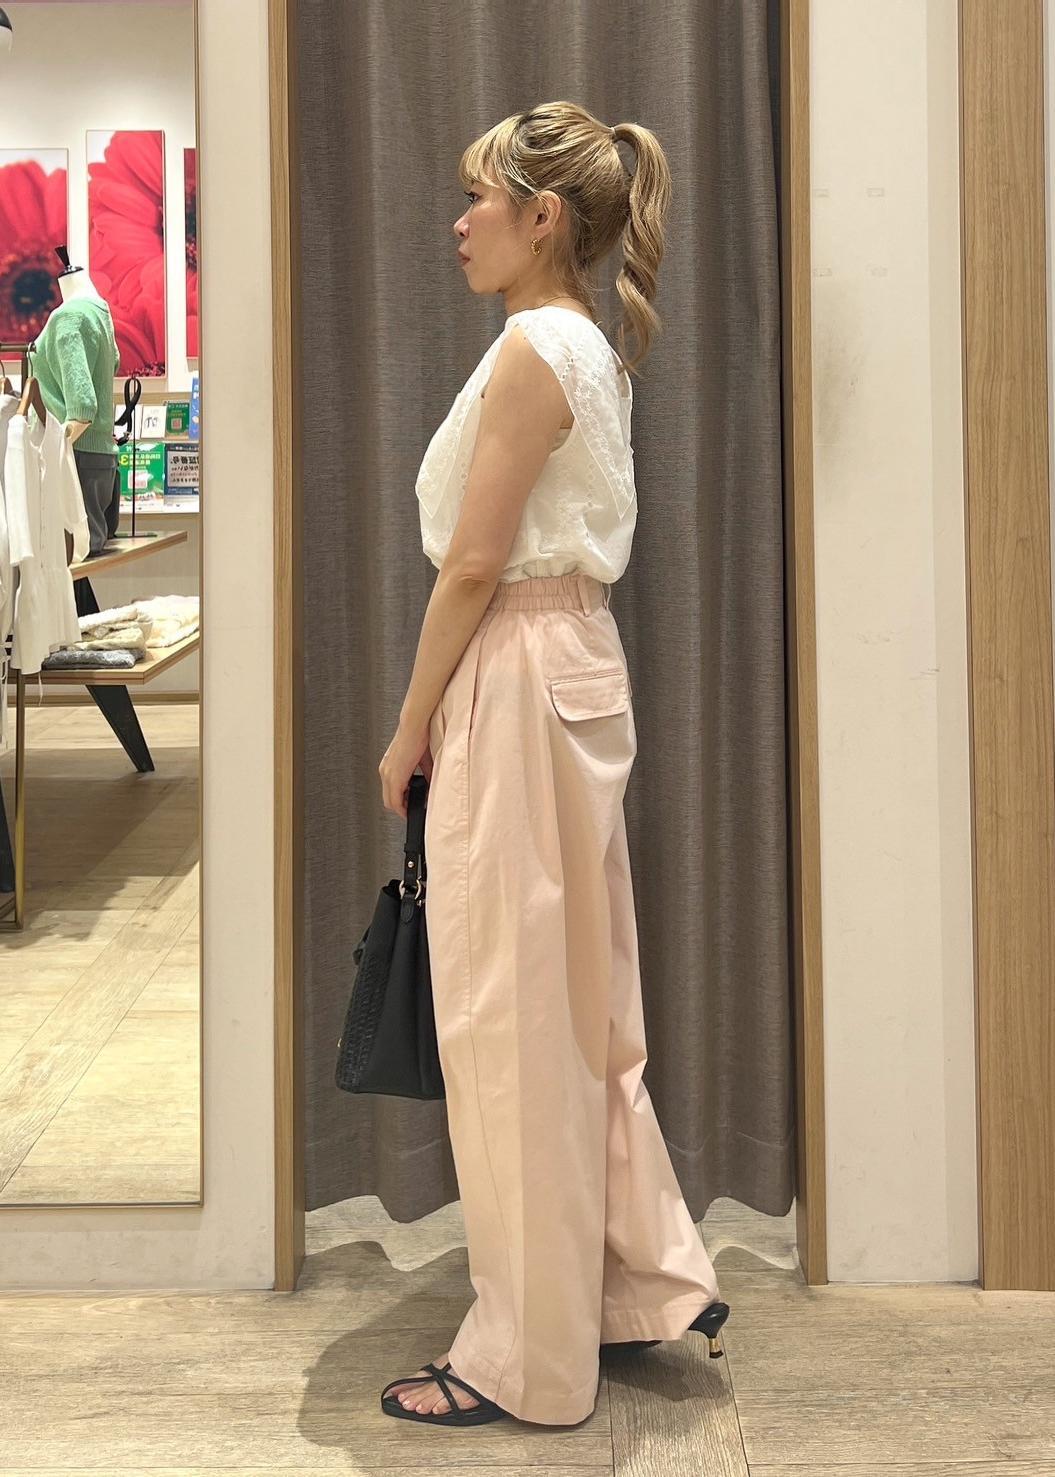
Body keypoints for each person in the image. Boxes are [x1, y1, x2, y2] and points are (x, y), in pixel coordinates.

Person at [377, 100, 729, 1429]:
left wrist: (410, 726)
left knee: (510, 1018)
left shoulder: (536, 347)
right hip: (573, 661)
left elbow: (475, 564)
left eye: (481, 198)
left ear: (542, 218)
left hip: (521, 670)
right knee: (580, 1004)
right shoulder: (586, 343)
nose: (458, 222)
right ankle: (630, 1283)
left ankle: (526, 1363)